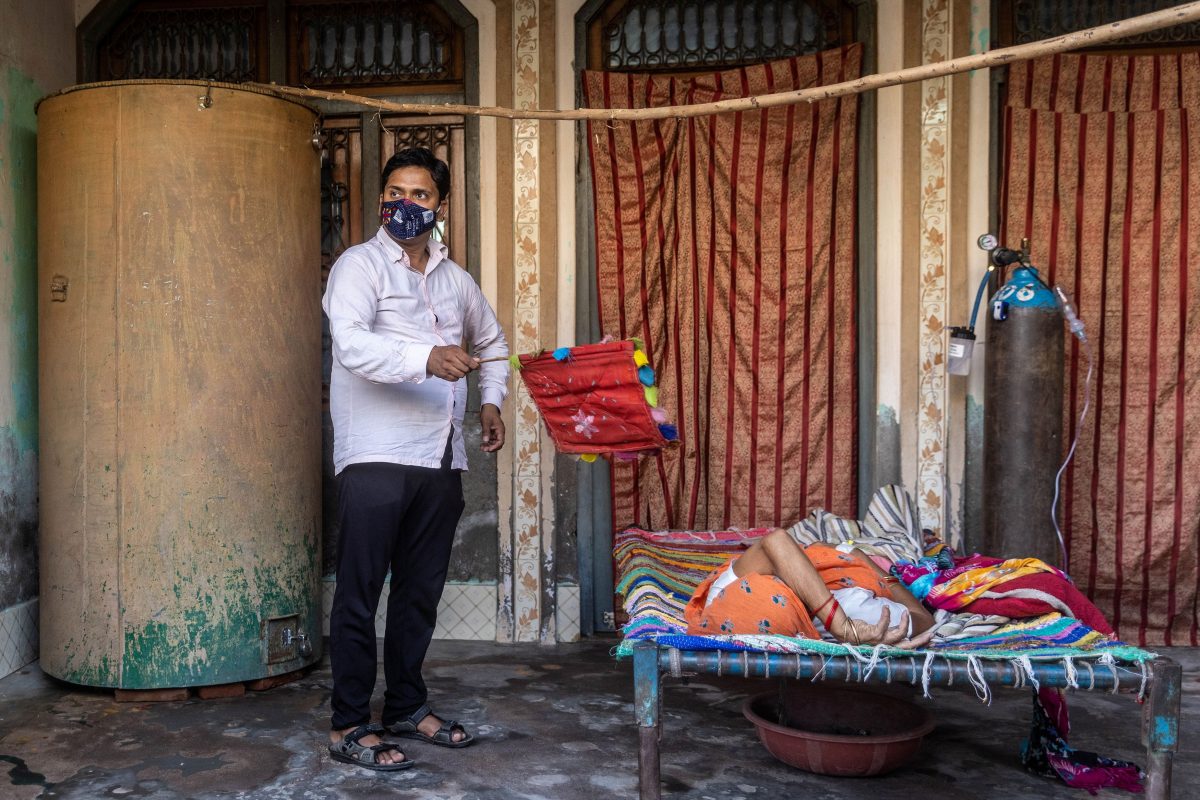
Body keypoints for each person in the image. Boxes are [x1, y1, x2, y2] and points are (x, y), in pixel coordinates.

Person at [322, 147, 509, 771]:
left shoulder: (458, 282)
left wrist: (491, 402)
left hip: (440, 456)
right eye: (396, 192)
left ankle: (404, 704)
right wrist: (425, 358)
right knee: (359, 593)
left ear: (440, 205)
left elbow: (494, 343)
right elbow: (350, 345)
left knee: (419, 594)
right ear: (382, 199)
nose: (407, 203)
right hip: (373, 454)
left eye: (421, 195)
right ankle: (348, 723)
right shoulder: (358, 265)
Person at [685, 529, 934, 649]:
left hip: (750, 607)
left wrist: (842, 626)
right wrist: (881, 574)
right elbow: (923, 618)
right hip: (845, 589)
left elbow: (777, 541)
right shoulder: (862, 611)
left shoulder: (724, 596)